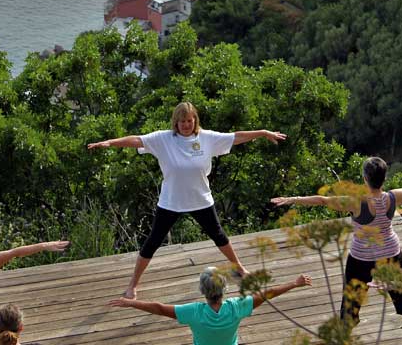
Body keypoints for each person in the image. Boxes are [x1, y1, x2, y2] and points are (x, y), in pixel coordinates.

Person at [88, 101, 286, 298]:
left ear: (195, 121)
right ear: (176, 122)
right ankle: (133, 285)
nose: (186, 125)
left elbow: (236, 137)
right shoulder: (163, 139)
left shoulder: (207, 138)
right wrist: (111, 143)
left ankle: (240, 268)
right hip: (171, 201)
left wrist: (263, 132)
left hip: (200, 199)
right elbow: (136, 140)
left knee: (219, 236)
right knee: (152, 242)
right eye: (182, 121)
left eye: (189, 121)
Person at [271, 157, 402, 345]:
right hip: (391, 255)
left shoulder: (357, 202)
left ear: (365, 179)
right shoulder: (393, 197)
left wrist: (292, 199)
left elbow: (322, 200)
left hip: (361, 260)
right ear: (384, 178)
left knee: (351, 301)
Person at [109, 267, 312, 345]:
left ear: (202, 290)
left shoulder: (193, 312)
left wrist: (131, 303)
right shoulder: (236, 306)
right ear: (224, 289)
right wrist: (294, 283)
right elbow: (268, 294)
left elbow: (159, 308)